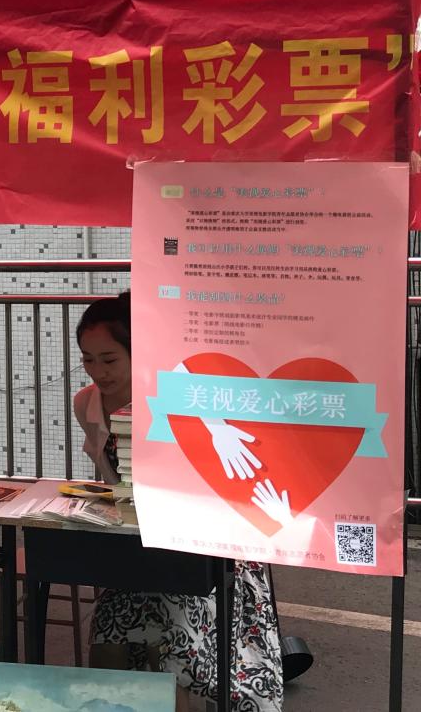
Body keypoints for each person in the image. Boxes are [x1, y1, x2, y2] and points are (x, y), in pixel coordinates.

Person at [74, 292, 283, 711]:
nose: (98, 371)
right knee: (107, 640)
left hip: (200, 554)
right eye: (88, 360)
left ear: (139, 352)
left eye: (109, 359)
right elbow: (114, 482)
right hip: (137, 549)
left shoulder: (180, 399)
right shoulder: (87, 403)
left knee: (171, 652)